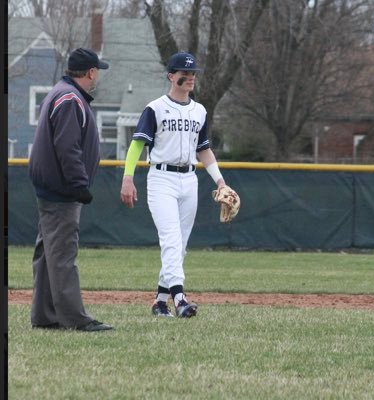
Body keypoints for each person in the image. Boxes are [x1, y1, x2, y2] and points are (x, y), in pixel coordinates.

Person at [120, 51, 226, 318]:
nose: (190, 78)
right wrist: (128, 177)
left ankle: (159, 301)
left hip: (189, 179)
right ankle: (179, 298)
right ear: (171, 76)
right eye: (184, 74)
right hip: (161, 178)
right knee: (170, 239)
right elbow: (137, 144)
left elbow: (203, 149)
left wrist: (220, 180)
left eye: (193, 74)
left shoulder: (199, 111)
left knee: (181, 245)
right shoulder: (155, 108)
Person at [28, 48, 113, 332]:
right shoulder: (69, 99)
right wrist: (79, 185)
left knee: (47, 252)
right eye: (96, 70)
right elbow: (67, 147)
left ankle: (44, 315)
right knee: (63, 253)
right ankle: (74, 318)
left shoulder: (62, 92)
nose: (97, 75)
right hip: (62, 190)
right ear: (90, 72)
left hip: (51, 186)